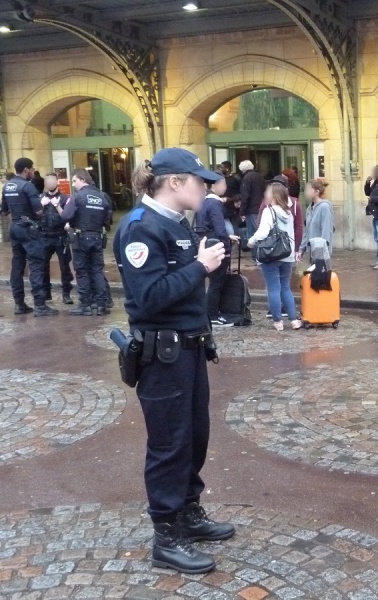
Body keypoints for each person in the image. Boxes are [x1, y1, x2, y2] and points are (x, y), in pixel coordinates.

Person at [113, 148, 233, 574]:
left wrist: (204, 264)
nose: (207, 186)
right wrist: (200, 267)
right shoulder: (140, 229)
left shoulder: (177, 224)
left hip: (189, 348)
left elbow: (181, 291)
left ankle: (188, 511)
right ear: (175, 182)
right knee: (169, 443)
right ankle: (166, 534)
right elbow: (148, 298)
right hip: (162, 353)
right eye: (199, 180)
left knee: (194, 435)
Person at [0, 157, 57, 316]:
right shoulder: (28, 186)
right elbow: (38, 211)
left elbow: (4, 211)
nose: (33, 171)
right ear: (26, 170)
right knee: (36, 265)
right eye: (32, 169)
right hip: (29, 228)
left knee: (17, 265)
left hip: (15, 227)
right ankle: (40, 305)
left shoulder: (7, 186)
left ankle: (19, 304)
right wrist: (42, 205)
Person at [248, 183, 302, 331]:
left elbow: (262, 233)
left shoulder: (269, 211)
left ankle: (278, 321)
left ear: (274, 196)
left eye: (268, 192)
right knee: (285, 288)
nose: (265, 194)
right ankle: (293, 320)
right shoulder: (288, 213)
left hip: (271, 254)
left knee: (273, 288)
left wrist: (251, 242)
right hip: (287, 254)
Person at [58, 169, 112, 316]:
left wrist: (73, 223)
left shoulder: (78, 197)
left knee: (82, 271)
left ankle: (85, 305)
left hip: (80, 238)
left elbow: (66, 215)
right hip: (97, 237)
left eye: (74, 181)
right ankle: (101, 305)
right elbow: (108, 221)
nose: (73, 184)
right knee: (97, 271)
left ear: (82, 179)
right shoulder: (102, 197)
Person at [196, 174, 239, 328]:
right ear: (214, 186)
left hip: (206, 242)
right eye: (223, 184)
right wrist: (226, 246)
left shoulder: (204, 202)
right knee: (217, 282)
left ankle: (209, 313)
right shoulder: (215, 204)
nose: (225, 187)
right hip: (216, 244)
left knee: (211, 281)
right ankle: (213, 315)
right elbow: (220, 229)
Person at [39, 173, 74, 305]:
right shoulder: (41, 198)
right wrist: (41, 205)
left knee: (65, 267)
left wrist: (57, 206)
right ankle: (46, 293)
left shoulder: (65, 198)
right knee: (43, 266)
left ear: (57, 182)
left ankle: (66, 293)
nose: (50, 183)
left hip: (60, 236)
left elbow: (68, 217)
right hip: (44, 236)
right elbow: (35, 216)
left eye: (52, 180)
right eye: (47, 181)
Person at [298, 178, 334, 262]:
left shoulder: (324, 207)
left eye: (309, 189)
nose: (306, 192)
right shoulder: (309, 208)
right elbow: (306, 231)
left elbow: (326, 232)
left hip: (321, 255)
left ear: (316, 192)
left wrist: (321, 254)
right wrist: (301, 250)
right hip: (312, 253)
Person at [269, 173, 304, 259]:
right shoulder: (266, 204)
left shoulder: (295, 204)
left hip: (287, 250)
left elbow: (298, 228)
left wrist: (296, 249)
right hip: (271, 250)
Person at [238, 160, 265, 244]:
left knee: (253, 234)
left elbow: (245, 196)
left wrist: (241, 212)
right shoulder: (260, 176)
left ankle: (256, 254)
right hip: (261, 206)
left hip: (251, 209)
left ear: (242, 169)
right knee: (260, 231)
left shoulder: (246, 178)